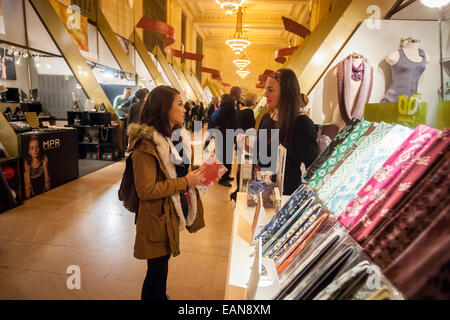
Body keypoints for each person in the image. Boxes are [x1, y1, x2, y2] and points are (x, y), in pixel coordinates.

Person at [127, 85, 205, 300]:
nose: (185, 109)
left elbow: (173, 171)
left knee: (161, 267)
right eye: (179, 104)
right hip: (155, 217)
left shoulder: (171, 137)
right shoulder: (146, 144)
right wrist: (186, 181)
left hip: (168, 214)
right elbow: (146, 189)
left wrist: (195, 172)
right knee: (155, 272)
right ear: (164, 108)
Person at [260, 68, 319, 195]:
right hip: (263, 189)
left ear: (286, 93)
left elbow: (314, 167)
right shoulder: (266, 118)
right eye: (266, 90)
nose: (265, 94)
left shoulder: (301, 123)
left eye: (270, 90)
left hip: (286, 196)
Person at [230, 92, 257, 201]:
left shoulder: (239, 111)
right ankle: (238, 192)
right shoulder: (249, 112)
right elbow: (251, 128)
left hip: (239, 140)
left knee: (240, 166)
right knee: (245, 168)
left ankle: (237, 191)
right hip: (246, 142)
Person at [214, 87, 241, 187]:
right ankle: (222, 178)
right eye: (240, 93)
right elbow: (219, 118)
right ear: (235, 93)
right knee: (224, 156)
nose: (240, 95)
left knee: (228, 156)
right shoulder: (228, 103)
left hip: (228, 134)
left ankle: (226, 175)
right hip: (224, 134)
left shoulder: (232, 102)